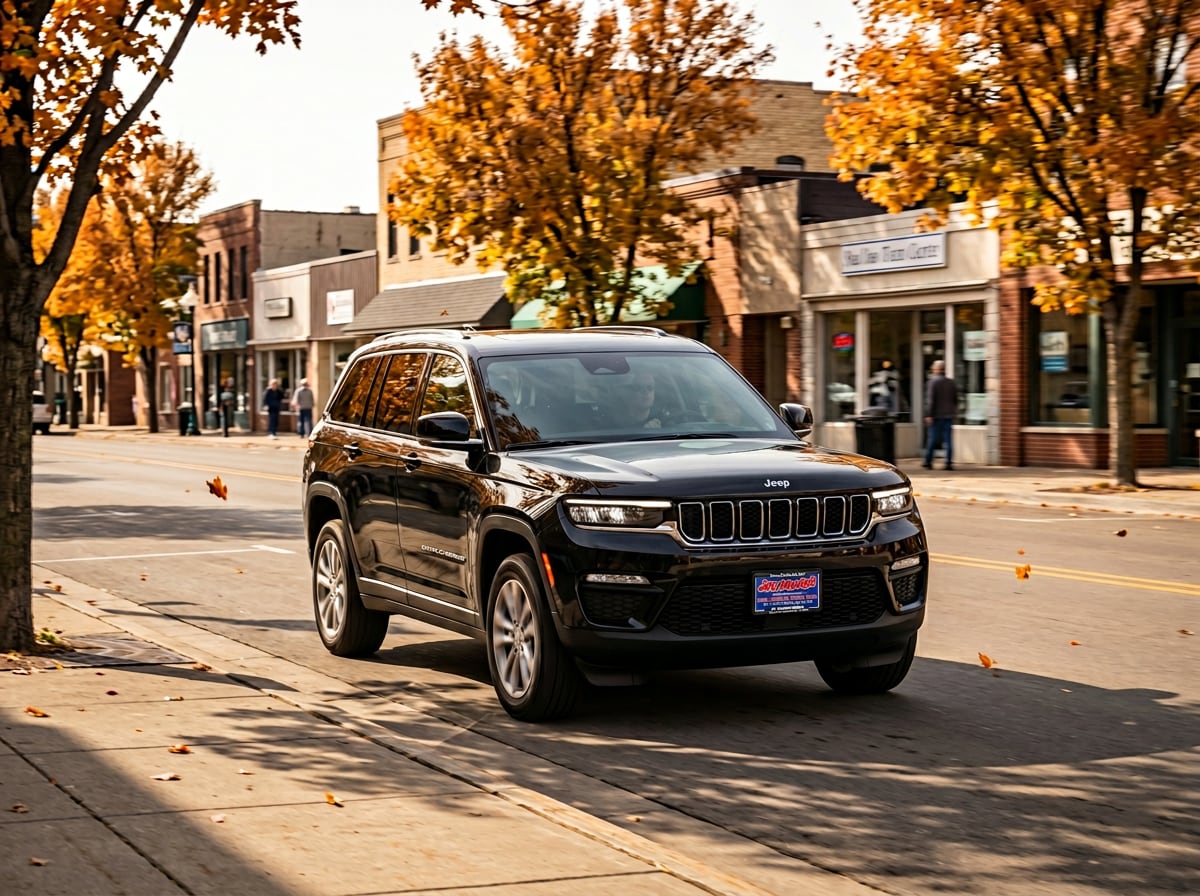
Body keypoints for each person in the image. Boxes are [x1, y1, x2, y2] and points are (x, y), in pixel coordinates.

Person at [923, 359, 958, 470]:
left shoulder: (932, 382)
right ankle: (948, 462)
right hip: (948, 415)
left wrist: (929, 414)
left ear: (936, 369)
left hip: (936, 415)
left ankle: (928, 461)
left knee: (932, 439)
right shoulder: (951, 382)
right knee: (948, 440)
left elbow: (931, 400)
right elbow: (955, 399)